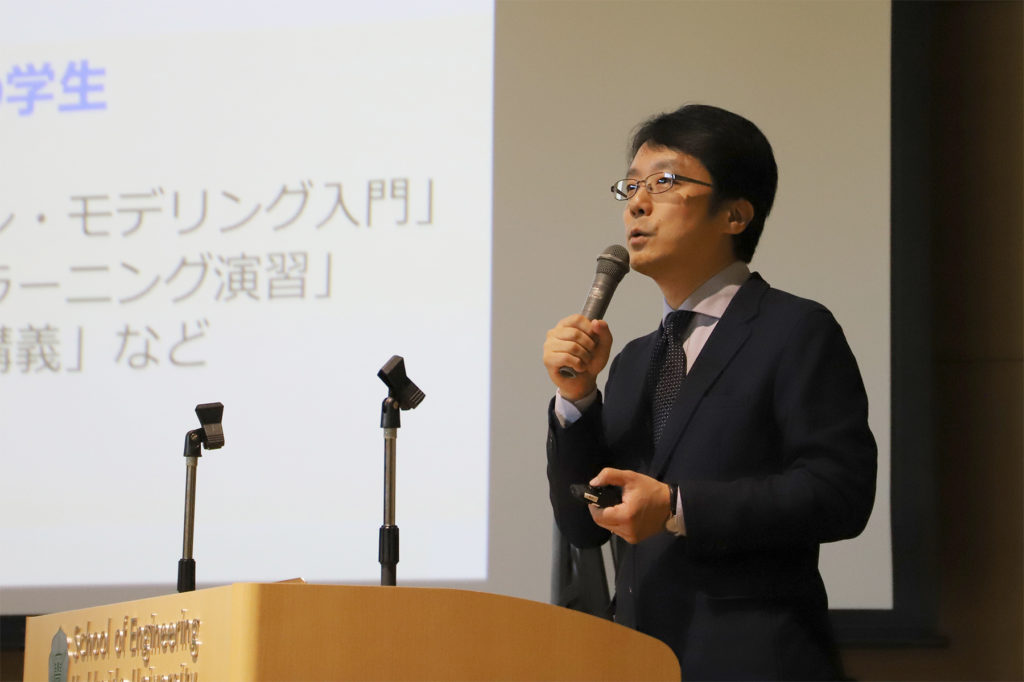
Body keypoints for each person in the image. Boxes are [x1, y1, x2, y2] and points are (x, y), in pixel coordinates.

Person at [542, 104, 877, 680]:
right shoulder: (632, 360)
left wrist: (677, 507)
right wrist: (577, 399)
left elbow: (840, 492)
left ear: (735, 215)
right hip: (641, 658)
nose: (637, 203)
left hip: (757, 660)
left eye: (665, 182)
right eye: (632, 185)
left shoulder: (794, 329)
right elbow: (581, 527)